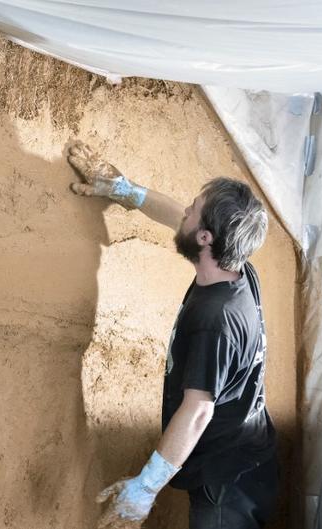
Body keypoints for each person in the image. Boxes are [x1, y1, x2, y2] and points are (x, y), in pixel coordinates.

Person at [67, 143, 278, 528]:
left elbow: (197, 410)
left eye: (192, 210)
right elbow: (181, 219)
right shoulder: (239, 268)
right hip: (250, 457)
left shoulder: (213, 320)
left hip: (225, 487)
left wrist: (146, 487)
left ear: (205, 238)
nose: (184, 211)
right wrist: (126, 191)